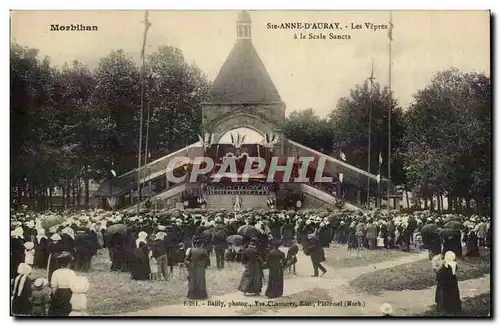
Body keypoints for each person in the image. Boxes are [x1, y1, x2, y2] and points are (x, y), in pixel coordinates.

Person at [49, 252, 77, 316]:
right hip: (69, 293)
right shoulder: (72, 273)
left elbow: (54, 287)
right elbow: (73, 286)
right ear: (69, 263)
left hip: (59, 293)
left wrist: (54, 297)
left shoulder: (56, 272)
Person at [435, 251, 462, 315]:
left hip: (445, 283)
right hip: (453, 281)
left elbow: (440, 275)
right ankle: (455, 308)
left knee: (445, 295)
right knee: (454, 294)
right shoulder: (455, 264)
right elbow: (454, 272)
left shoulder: (446, 266)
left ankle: (445, 308)